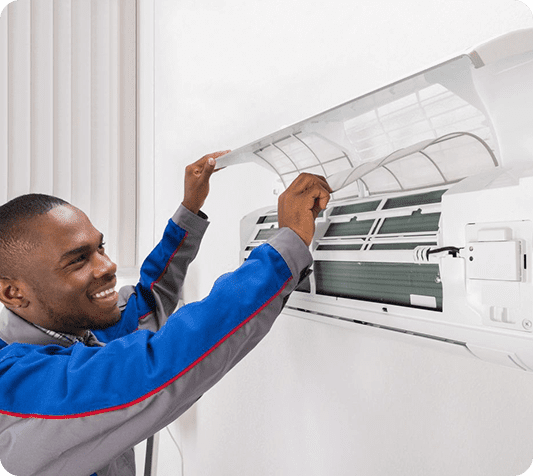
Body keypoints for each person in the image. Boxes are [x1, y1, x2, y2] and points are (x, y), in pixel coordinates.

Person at [0, 152, 332, 476]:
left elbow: (146, 302)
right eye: (77, 260)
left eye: (100, 248)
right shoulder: (15, 385)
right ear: (14, 293)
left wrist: (189, 211)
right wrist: (286, 247)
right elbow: (158, 365)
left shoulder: (74, 327)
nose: (109, 265)